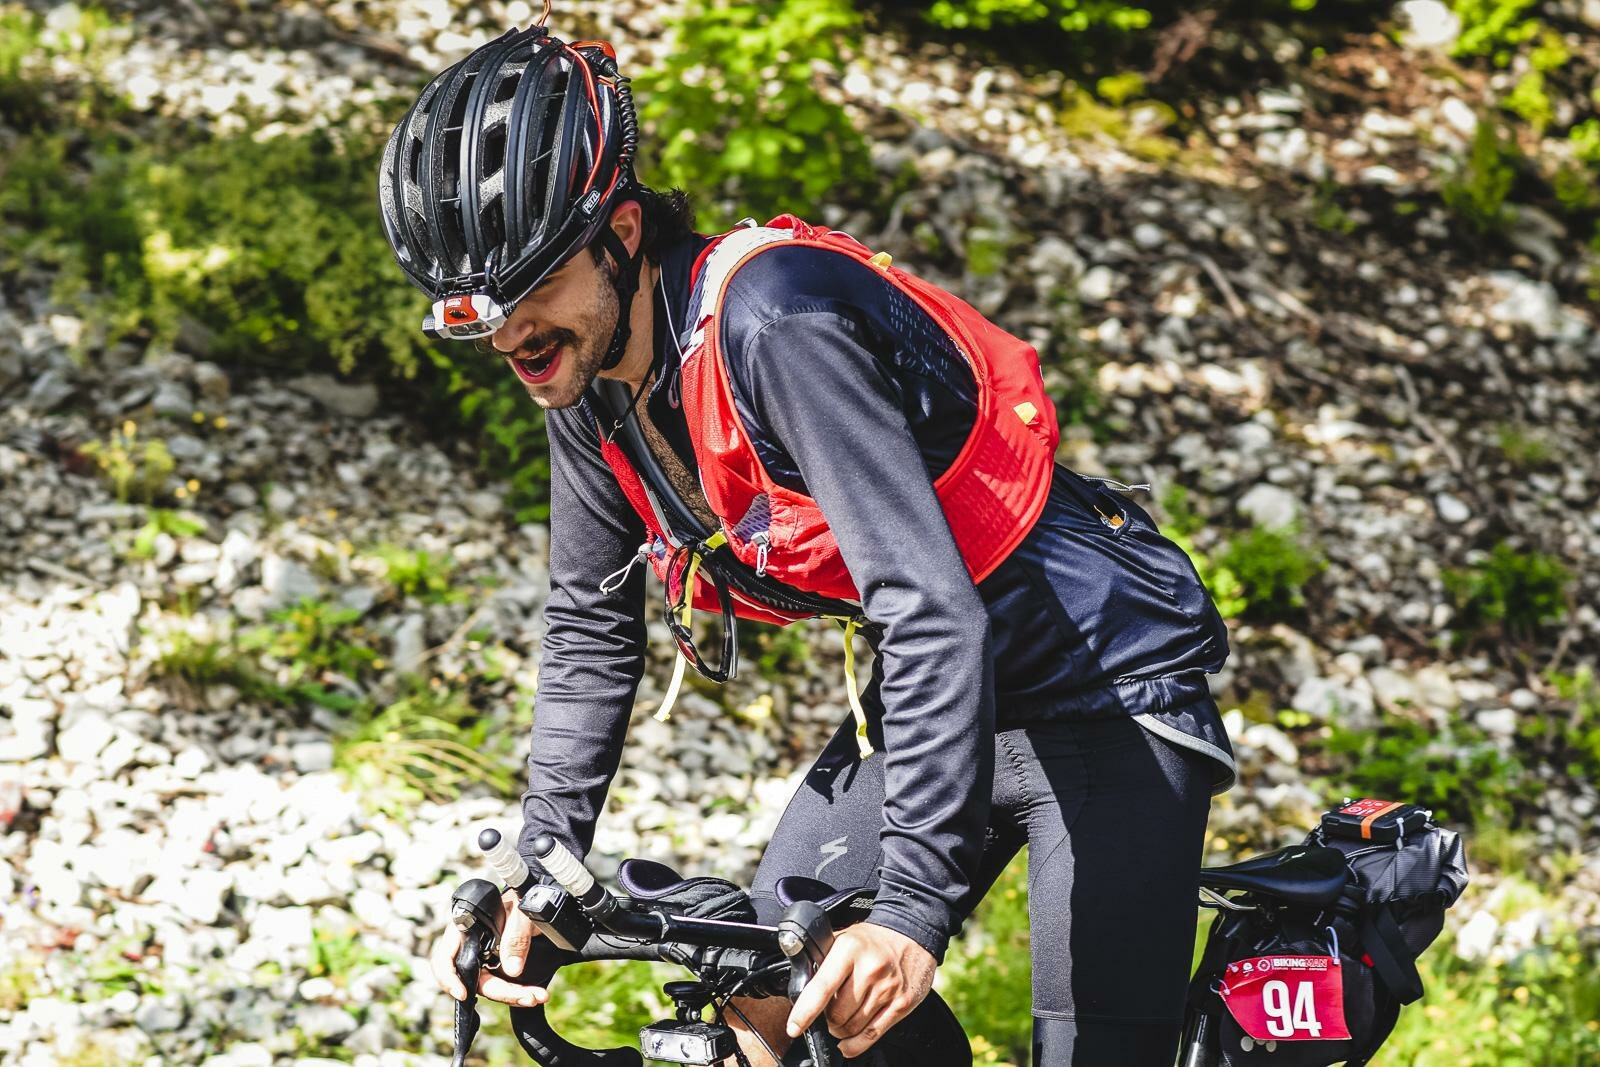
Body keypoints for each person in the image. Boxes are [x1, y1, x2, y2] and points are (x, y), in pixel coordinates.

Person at [380, 19, 1236, 1066]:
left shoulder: (772, 324)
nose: (511, 336)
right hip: (943, 692)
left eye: (533, 291)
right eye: (479, 317)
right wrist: (539, 870)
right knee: (778, 999)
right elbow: (589, 624)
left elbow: (927, 605)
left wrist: (910, 915)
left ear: (624, 232)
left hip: (1104, 681)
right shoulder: (586, 381)